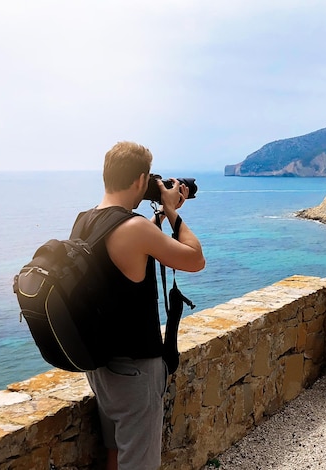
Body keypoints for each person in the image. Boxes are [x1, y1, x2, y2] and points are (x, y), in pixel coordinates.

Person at [72, 141, 205, 470]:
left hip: (100, 364)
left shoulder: (84, 221)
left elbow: (120, 269)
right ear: (139, 181)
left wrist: (155, 218)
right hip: (134, 371)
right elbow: (195, 259)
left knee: (116, 453)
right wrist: (172, 212)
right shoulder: (134, 228)